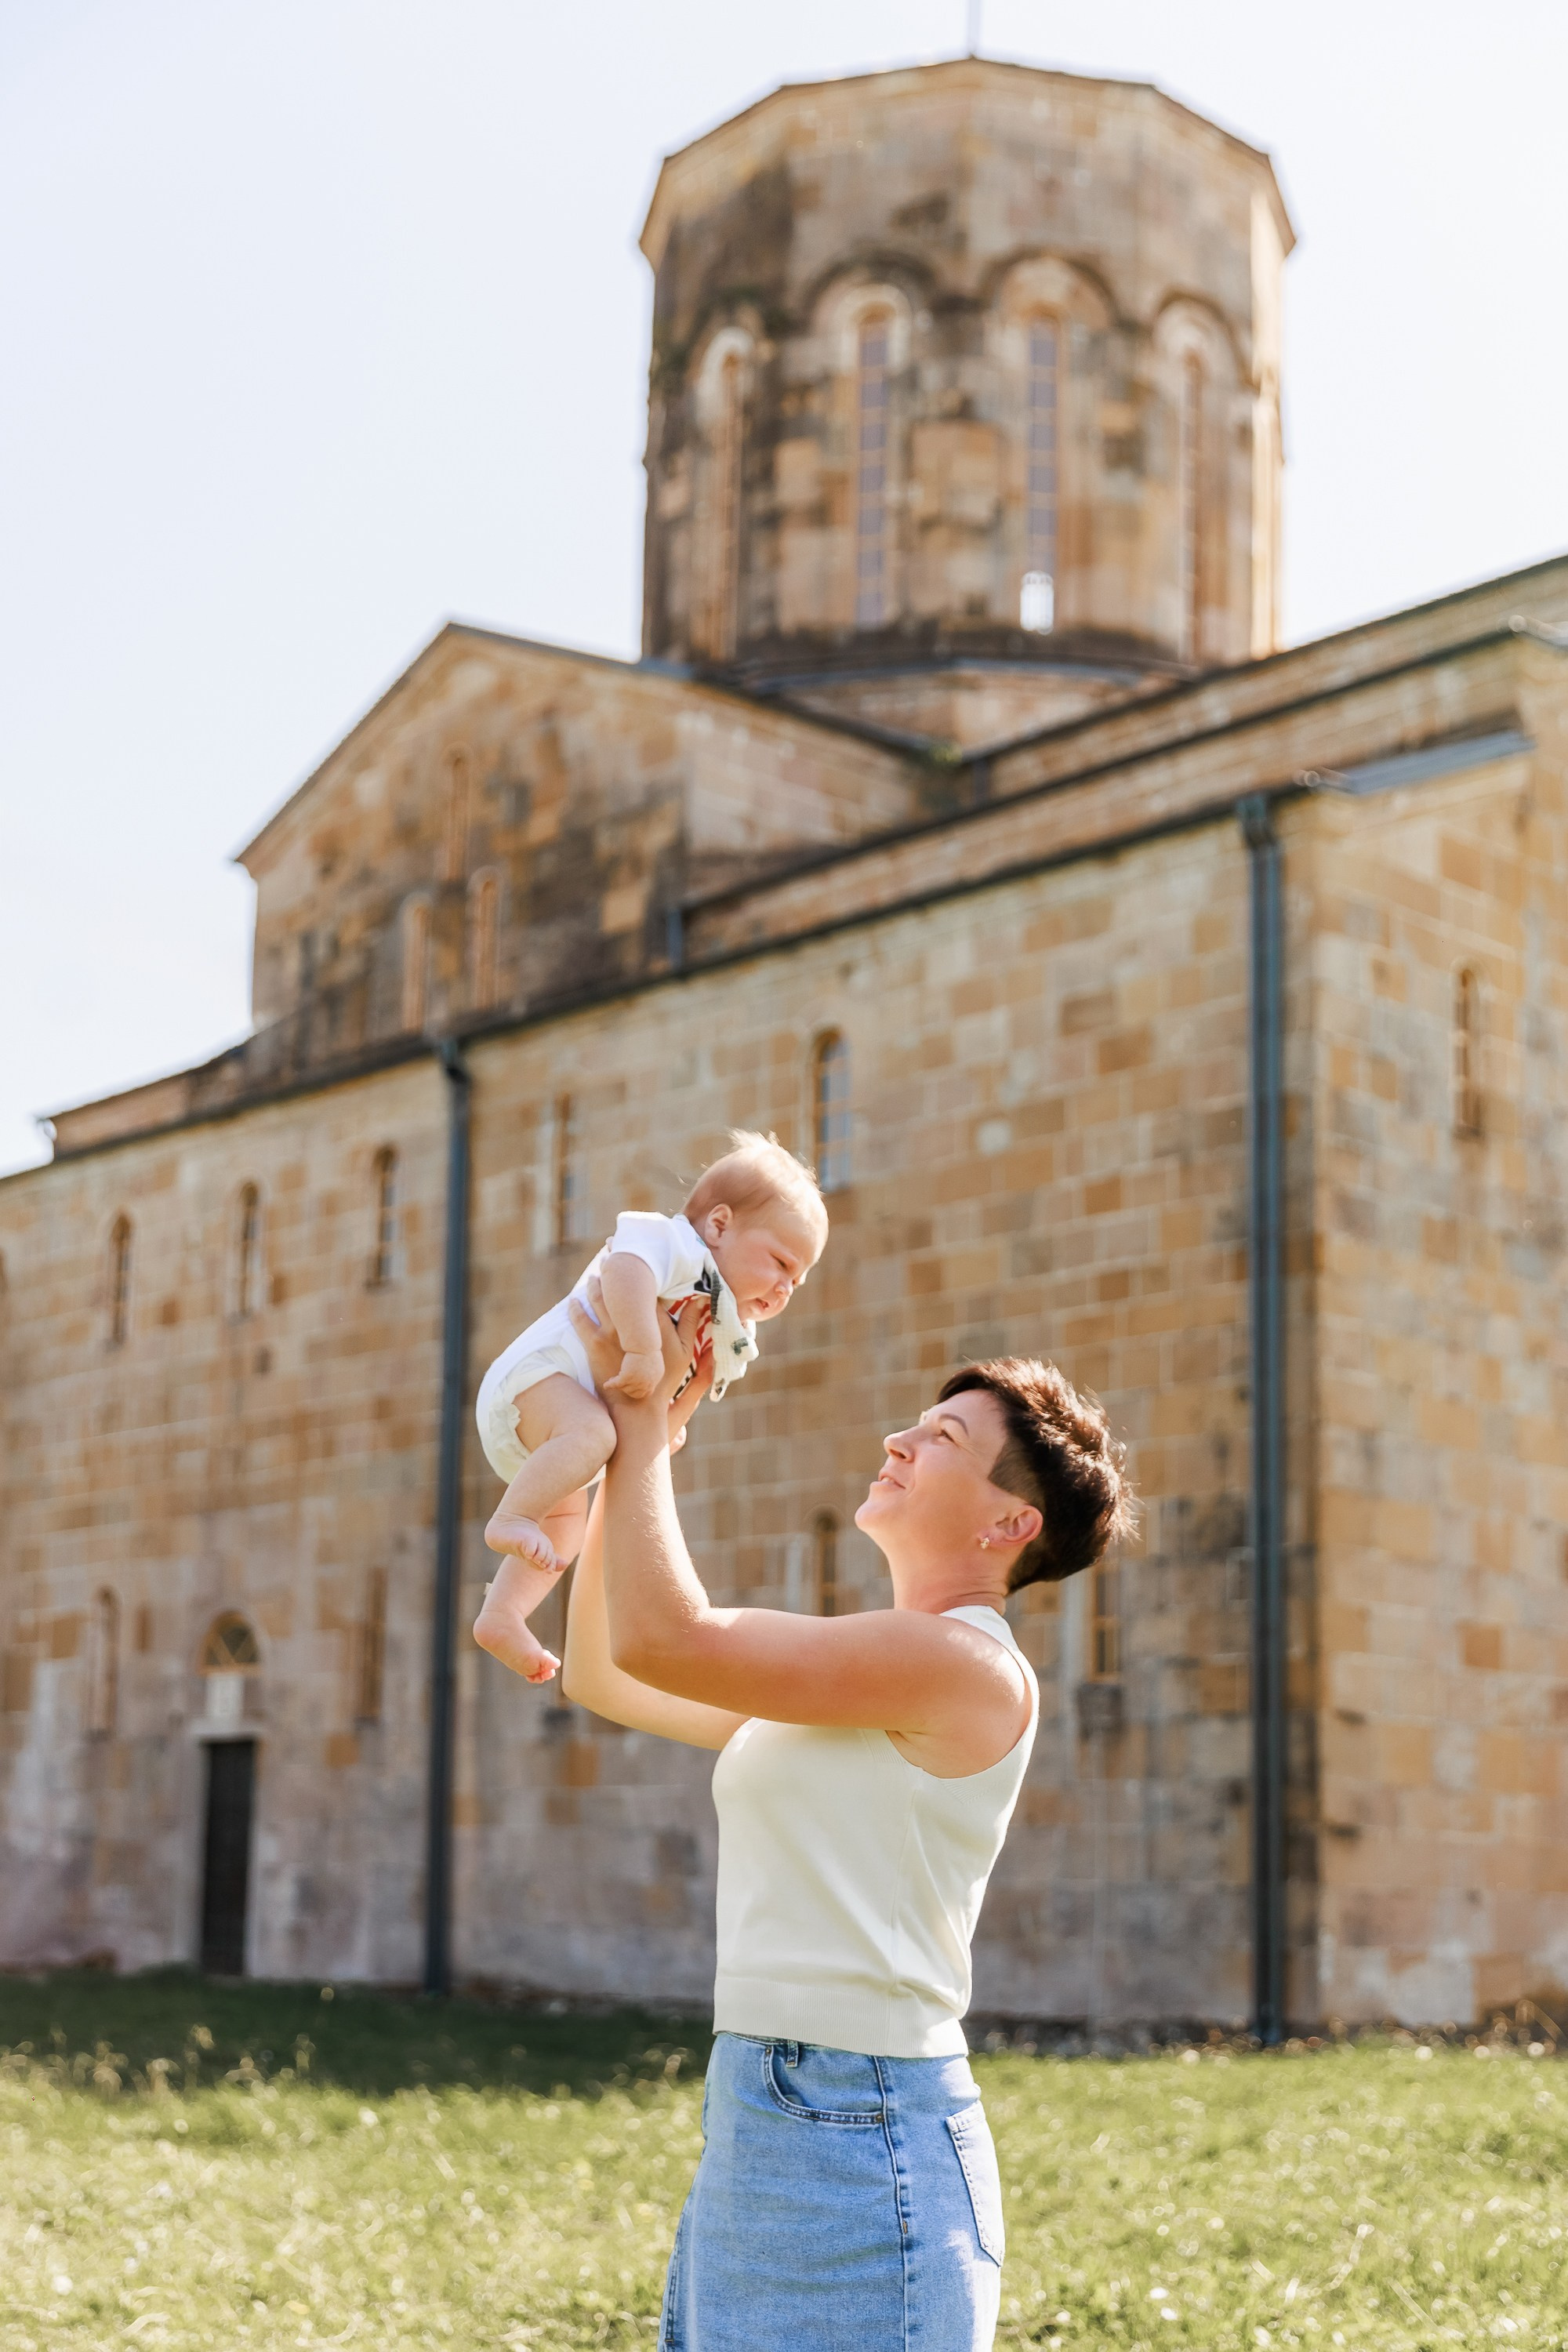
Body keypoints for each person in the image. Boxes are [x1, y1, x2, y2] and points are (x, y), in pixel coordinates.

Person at [555, 1288, 1134, 2351]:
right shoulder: (859, 1673)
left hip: (856, 2122)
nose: (899, 1438)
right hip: (772, 2105)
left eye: (943, 1436)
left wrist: (647, 1424)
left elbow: (665, 1641)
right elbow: (608, 1670)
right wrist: (622, 1457)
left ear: (1013, 1523)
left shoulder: (962, 1664)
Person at [473, 1133, 827, 1682]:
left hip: (554, 1439)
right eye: (780, 1262)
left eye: (797, 1281)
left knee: (568, 1521)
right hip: (538, 1379)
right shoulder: (677, 1247)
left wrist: (666, 1422)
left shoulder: (722, 1322)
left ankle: (503, 1613)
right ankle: (513, 1516)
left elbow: (675, 1399)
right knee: (593, 1437)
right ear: (719, 1225)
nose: (784, 1288)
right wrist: (641, 1347)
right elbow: (624, 1269)